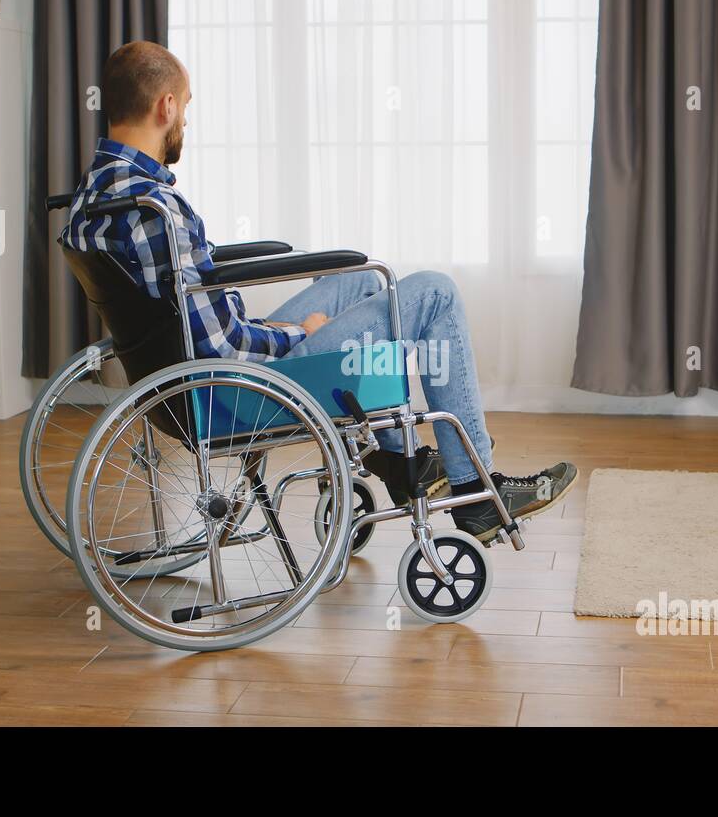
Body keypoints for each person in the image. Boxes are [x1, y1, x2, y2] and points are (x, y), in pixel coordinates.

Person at [63, 41, 577, 541]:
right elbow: (218, 350)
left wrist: (288, 330)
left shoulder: (94, 194)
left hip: (195, 378)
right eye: (186, 109)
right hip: (237, 390)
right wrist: (294, 336)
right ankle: (476, 493)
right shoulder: (156, 210)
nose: (185, 124)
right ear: (166, 105)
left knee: (351, 278)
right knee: (432, 293)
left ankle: (399, 461)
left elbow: (192, 322)